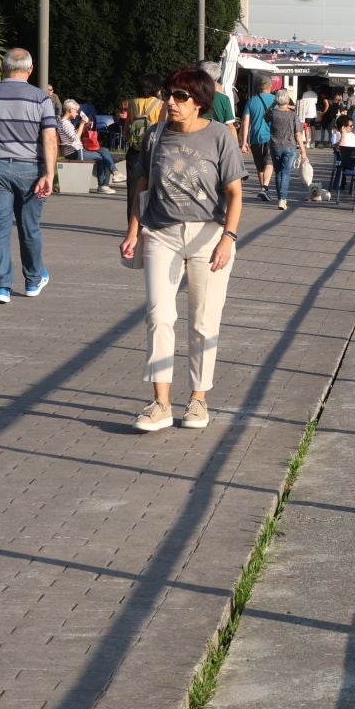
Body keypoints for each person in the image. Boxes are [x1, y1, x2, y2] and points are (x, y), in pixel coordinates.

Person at [121, 67, 245, 434]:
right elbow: (141, 184)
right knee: (159, 316)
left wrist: (228, 238)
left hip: (209, 236)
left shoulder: (220, 136)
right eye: (169, 94)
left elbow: (236, 193)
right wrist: (132, 230)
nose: (171, 102)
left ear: (200, 103)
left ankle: (198, 399)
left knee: (204, 320)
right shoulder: (155, 135)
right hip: (161, 233)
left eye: (181, 97)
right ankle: (160, 402)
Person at [0, 48, 57, 304]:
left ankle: (1, 287)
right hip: (30, 170)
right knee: (29, 227)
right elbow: (49, 137)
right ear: (30, 70)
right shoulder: (41, 98)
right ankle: (32, 280)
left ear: (3, 68)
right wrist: (49, 173)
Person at [59, 98, 119, 193]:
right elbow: (76, 138)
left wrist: (84, 126)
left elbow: (74, 137)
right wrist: (82, 124)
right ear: (70, 110)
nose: (77, 113)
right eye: (76, 111)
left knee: (104, 151)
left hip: (78, 150)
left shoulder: (65, 123)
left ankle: (114, 175)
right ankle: (104, 185)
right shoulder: (65, 123)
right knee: (104, 157)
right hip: (75, 152)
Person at [267, 88, 302, 210]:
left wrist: (274, 103)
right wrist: (303, 150)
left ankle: (281, 198)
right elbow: (298, 133)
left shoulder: (272, 113)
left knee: (278, 173)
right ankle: (282, 198)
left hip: (275, 146)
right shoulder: (293, 115)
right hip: (290, 146)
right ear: (287, 99)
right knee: (286, 172)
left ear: (277, 100)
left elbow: (265, 116)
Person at [243, 76, 277, 201]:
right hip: (271, 137)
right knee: (269, 163)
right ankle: (265, 187)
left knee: (260, 166)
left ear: (258, 87)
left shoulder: (251, 101)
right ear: (270, 86)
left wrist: (244, 141)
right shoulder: (275, 100)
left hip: (255, 137)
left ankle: (263, 189)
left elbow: (246, 123)